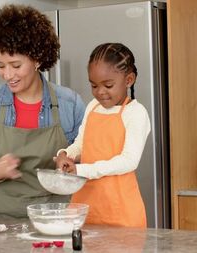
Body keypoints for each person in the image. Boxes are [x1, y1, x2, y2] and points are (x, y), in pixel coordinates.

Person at [0, 4, 85, 217]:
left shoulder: (71, 104)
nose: (7, 74)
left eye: (16, 65)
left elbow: (87, 167)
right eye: (1, 65)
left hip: (56, 220)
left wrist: (69, 164)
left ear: (37, 59)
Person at [55, 43, 151, 228]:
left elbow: (129, 161)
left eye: (108, 85)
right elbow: (81, 144)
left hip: (120, 212)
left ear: (129, 79)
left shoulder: (136, 113)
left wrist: (81, 171)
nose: (100, 92)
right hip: (84, 207)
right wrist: (66, 154)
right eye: (93, 85)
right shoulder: (93, 106)